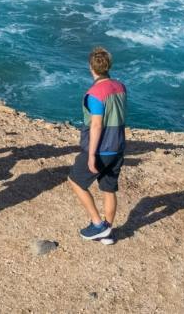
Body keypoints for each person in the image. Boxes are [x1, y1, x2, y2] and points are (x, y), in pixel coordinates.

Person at [65, 46, 128, 245]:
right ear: (108, 65)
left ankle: (98, 224)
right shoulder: (121, 87)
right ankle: (108, 232)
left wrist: (91, 155)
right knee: (109, 189)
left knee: (75, 181)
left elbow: (96, 124)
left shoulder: (94, 94)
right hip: (118, 146)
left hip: (101, 148)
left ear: (90, 67)